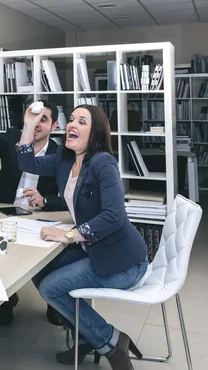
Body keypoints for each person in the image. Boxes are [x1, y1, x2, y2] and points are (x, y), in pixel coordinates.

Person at [17, 104, 148, 369]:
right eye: (72, 119)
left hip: (122, 261)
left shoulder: (103, 163)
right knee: (38, 270)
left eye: (82, 121)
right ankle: (89, 336)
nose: (72, 125)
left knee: (50, 287)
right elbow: (26, 162)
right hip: (94, 250)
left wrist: (67, 235)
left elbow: (113, 216)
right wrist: (29, 125)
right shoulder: (65, 160)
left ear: (95, 131)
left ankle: (111, 340)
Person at [0, 101, 66, 327]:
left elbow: (69, 195)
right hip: (0, 207)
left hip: (38, 214)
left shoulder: (61, 153)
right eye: (34, 118)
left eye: (43, 120)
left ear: (54, 125)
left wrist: (45, 199)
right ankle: (5, 300)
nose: (37, 124)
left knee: (49, 255)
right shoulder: (12, 138)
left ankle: (53, 303)